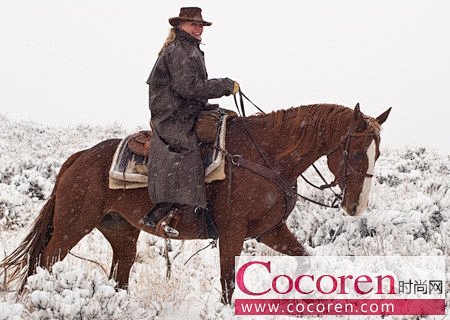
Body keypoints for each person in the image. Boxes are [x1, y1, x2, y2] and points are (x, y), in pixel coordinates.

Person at [143, 7, 239, 237]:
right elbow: (189, 87)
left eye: (200, 25)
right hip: (172, 115)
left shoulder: (190, 49)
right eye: (193, 24)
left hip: (187, 109)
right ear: (180, 25)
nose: (198, 29)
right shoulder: (178, 50)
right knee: (186, 150)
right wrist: (224, 85)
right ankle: (161, 212)